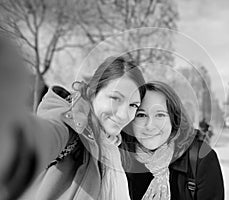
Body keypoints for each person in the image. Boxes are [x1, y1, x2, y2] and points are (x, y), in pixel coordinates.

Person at [0, 35, 146, 200]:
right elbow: (43, 137)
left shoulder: (112, 145)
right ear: (92, 93)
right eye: (115, 98)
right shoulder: (71, 127)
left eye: (133, 105)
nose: (123, 114)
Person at [121, 81, 224, 200]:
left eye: (160, 115)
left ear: (174, 118)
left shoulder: (201, 158)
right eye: (141, 115)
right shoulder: (120, 158)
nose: (150, 126)